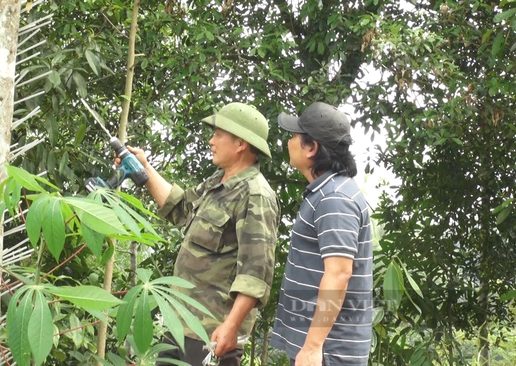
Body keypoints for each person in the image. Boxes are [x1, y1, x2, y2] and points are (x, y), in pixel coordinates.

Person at [121, 103, 280, 366]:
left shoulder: (255, 195)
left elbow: (256, 274)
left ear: (240, 143)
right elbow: (180, 208)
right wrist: (143, 168)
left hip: (212, 333)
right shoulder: (218, 182)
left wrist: (231, 327)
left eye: (218, 134)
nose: (211, 140)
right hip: (181, 325)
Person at [270, 102, 373, 366]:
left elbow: (339, 273)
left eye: (294, 136)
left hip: (329, 353)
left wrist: (314, 346)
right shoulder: (328, 191)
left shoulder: (334, 198)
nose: (289, 142)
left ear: (312, 148)